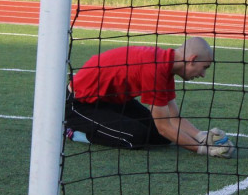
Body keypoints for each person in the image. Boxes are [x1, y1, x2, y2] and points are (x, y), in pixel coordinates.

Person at [65, 36, 234, 157]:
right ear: (192, 59)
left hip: (110, 100)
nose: (203, 74)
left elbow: (173, 118)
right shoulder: (155, 67)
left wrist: (201, 136)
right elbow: (164, 126)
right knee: (135, 138)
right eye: (204, 67)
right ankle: (74, 132)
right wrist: (202, 149)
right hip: (79, 104)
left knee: (160, 138)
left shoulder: (165, 65)